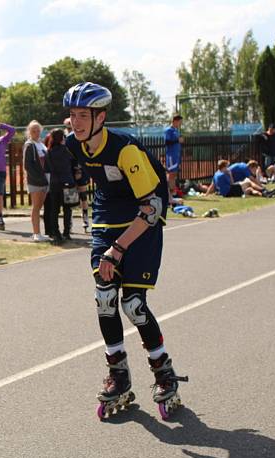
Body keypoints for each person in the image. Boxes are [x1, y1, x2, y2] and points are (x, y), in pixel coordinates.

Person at [63, 82, 187, 418]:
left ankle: (163, 372)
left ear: (101, 117)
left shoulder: (126, 150)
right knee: (104, 297)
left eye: (83, 116)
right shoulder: (73, 143)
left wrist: (117, 249)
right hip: (107, 219)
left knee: (133, 304)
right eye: (73, 115)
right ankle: (118, 374)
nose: (76, 122)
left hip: (141, 222)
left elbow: (151, 207)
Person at [43, 128, 75, 241]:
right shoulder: (67, 150)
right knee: (68, 209)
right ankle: (67, 232)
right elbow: (74, 163)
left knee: (54, 209)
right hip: (68, 182)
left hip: (55, 183)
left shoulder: (49, 152)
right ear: (62, 138)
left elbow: (46, 169)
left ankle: (56, 232)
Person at [23, 120, 50, 242]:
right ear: (29, 132)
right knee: (36, 207)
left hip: (45, 180)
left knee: (40, 207)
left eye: (38, 130)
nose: (36, 132)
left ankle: (39, 232)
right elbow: (27, 165)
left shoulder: (41, 143)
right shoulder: (29, 145)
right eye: (33, 130)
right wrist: (39, 178)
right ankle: (36, 233)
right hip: (36, 181)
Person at [66, 117, 90, 232]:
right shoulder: (66, 139)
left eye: (70, 127)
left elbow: (82, 156)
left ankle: (85, 219)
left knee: (82, 196)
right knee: (70, 197)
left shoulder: (81, 138)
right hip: (69, 172)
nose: (69, 129)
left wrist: (79, 170)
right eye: (67, 127)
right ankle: (69, 222)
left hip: (80, 170)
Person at [206, 160, 274, 198]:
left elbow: (213, 185)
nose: (228, 168)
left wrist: (207, 194)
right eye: (227, 166)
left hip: (225, 191)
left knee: (249, 189)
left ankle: (264, 193)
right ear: (223, 167)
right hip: (229, 191)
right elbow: (232, 183)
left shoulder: (216, 174)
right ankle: (264, 191)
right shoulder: (224, 174)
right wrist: (230, 175)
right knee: (248, 183)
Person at [164, 114, 184, 197]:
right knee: (171, 173)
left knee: (174, 174)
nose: (180, 124)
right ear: (175, 121)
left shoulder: (176, 130)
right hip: (171, 155)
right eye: (180, 122)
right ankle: (169, 193)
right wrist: (177, 140)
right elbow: (167, 142)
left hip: (176, 155)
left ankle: (173, 193)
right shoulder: (168, 130)